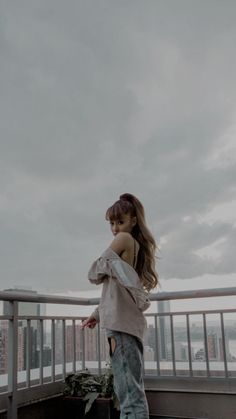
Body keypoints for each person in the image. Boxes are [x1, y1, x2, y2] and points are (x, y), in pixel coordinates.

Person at [82, 193, 158, 419]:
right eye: (112, 223)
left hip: (121, 329)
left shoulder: (124, 239)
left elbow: (94, 273)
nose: (115, 228)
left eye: (120, 222)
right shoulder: (135, 246)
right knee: (131, 389)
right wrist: (97, 313)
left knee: (129, 395)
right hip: (126, 326)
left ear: (133, 221)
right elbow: (119, 291)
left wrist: (103, 262)